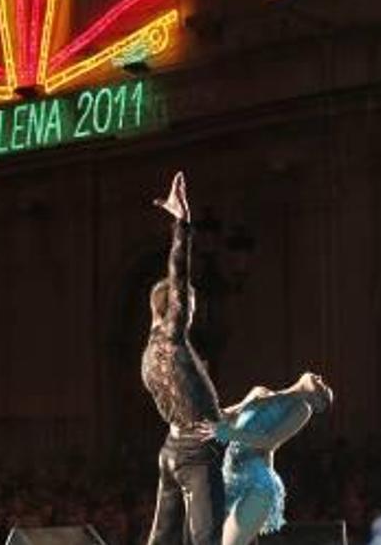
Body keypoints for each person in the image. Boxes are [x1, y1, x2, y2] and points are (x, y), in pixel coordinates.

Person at [142, 172, 227, 545]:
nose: (191, 312)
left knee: (162, 539)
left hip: (171, 450)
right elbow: (179, 275)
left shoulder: (149, 353)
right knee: (206, 539)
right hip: (196, 454)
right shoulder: (171, 338)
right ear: (172, 310)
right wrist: (182, 224)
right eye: (188, 306)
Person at [196, 372, 334, 545]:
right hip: (229, 478)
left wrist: (228, 433)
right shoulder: (259, 391)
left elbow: (271, 442)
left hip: (257, 484)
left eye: (324, 389)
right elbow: (225, 415)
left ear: (318, 403)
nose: (320, 377)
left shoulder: (302, 408)